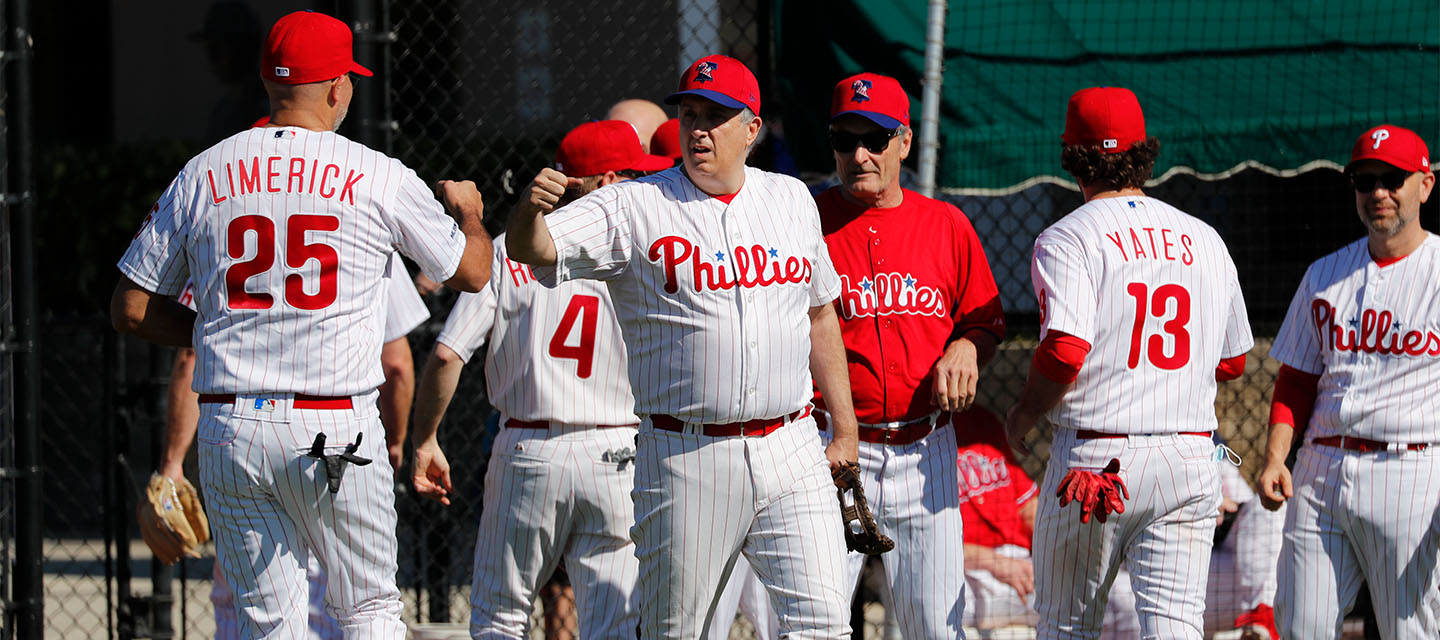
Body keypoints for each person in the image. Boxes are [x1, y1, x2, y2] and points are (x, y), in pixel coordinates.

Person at [110, 11, 492, 638]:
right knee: (367, 610)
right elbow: (473, 272)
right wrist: (471, 213)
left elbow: (129, 307)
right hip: (333, 420)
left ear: (269, 82)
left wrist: (216, 331)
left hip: (233, 423)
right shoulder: (376, 173)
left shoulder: (204, 171)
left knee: (268, 623)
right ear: (338, 87)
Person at [505, 54, 859, 639]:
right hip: (687, 452)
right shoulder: (634, 204)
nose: (698, 128)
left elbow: (820, 314)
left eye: (715, 116)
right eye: (690, 113)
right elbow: (534, 250)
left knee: (824, 625)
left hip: (792, 444)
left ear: (752, 129)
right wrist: (526, 212)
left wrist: (842, 427)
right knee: (678, 630)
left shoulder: (793, 200)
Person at [1005, 86, 1254, 639]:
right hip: (1190, 456)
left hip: (1099, 459)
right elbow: (1234, 362)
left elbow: (1066, 348)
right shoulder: (1205, 238)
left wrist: (1024, 410)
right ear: (1143, 152)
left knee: (1068, 626)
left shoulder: (1067, 237)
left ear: (1072, 154)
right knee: (1175, 628)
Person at [411, 119, 671, 638]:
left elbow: (446, 356)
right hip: (617, 450)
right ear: (605, 182)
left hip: (528, 450)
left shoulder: (509, 249)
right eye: (629, 175)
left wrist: (425, 438)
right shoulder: (641, 249)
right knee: (614, 624)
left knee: (500, 618)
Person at [813, 71, 1005, 637]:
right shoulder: (806, 221)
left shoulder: (944, 224)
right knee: (813, 619)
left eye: (874, 137)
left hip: (926, 448)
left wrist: (969, 345)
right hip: (831, 447)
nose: (860, 154)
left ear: (904, 141)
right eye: (845, 140)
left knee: (934, 624)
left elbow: (985, 319)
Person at [151, 260, 430, 639]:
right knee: (365, 608)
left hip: (241, 430)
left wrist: (172, 464)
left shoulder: (221, 216)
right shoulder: (368, 209)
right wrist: (395, 443)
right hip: (334, 430)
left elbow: (189, 355)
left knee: (261, 614)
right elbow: (396, 364)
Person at [1259, 123, 1438, 638]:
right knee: (1301, 628)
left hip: (1411, 469)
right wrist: (1275, 457)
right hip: (1320, 470)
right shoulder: (1323, 275)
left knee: (1414, 632)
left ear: (1424, 185)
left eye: (1392, 178)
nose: (1378, 192)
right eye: (1365, 180)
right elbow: (1295, 378)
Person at [1101, 450, 1283, 640]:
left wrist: (1213, 502)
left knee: (1269, 513)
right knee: (1119, 596)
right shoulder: (1127, 442)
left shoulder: (1207, 439)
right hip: (1143, 571)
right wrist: (1186, 505)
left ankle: (1262, 622)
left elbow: (1248, 508)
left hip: (1220, 570)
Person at [953, 405, 1039, 630]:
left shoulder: (982, 420)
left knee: (1117, 596)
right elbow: (927, 545)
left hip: (1021, 563)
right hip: (963, 568)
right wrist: (997, 563)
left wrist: (1060, 551)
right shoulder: (915, 435)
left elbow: (1028, 506)